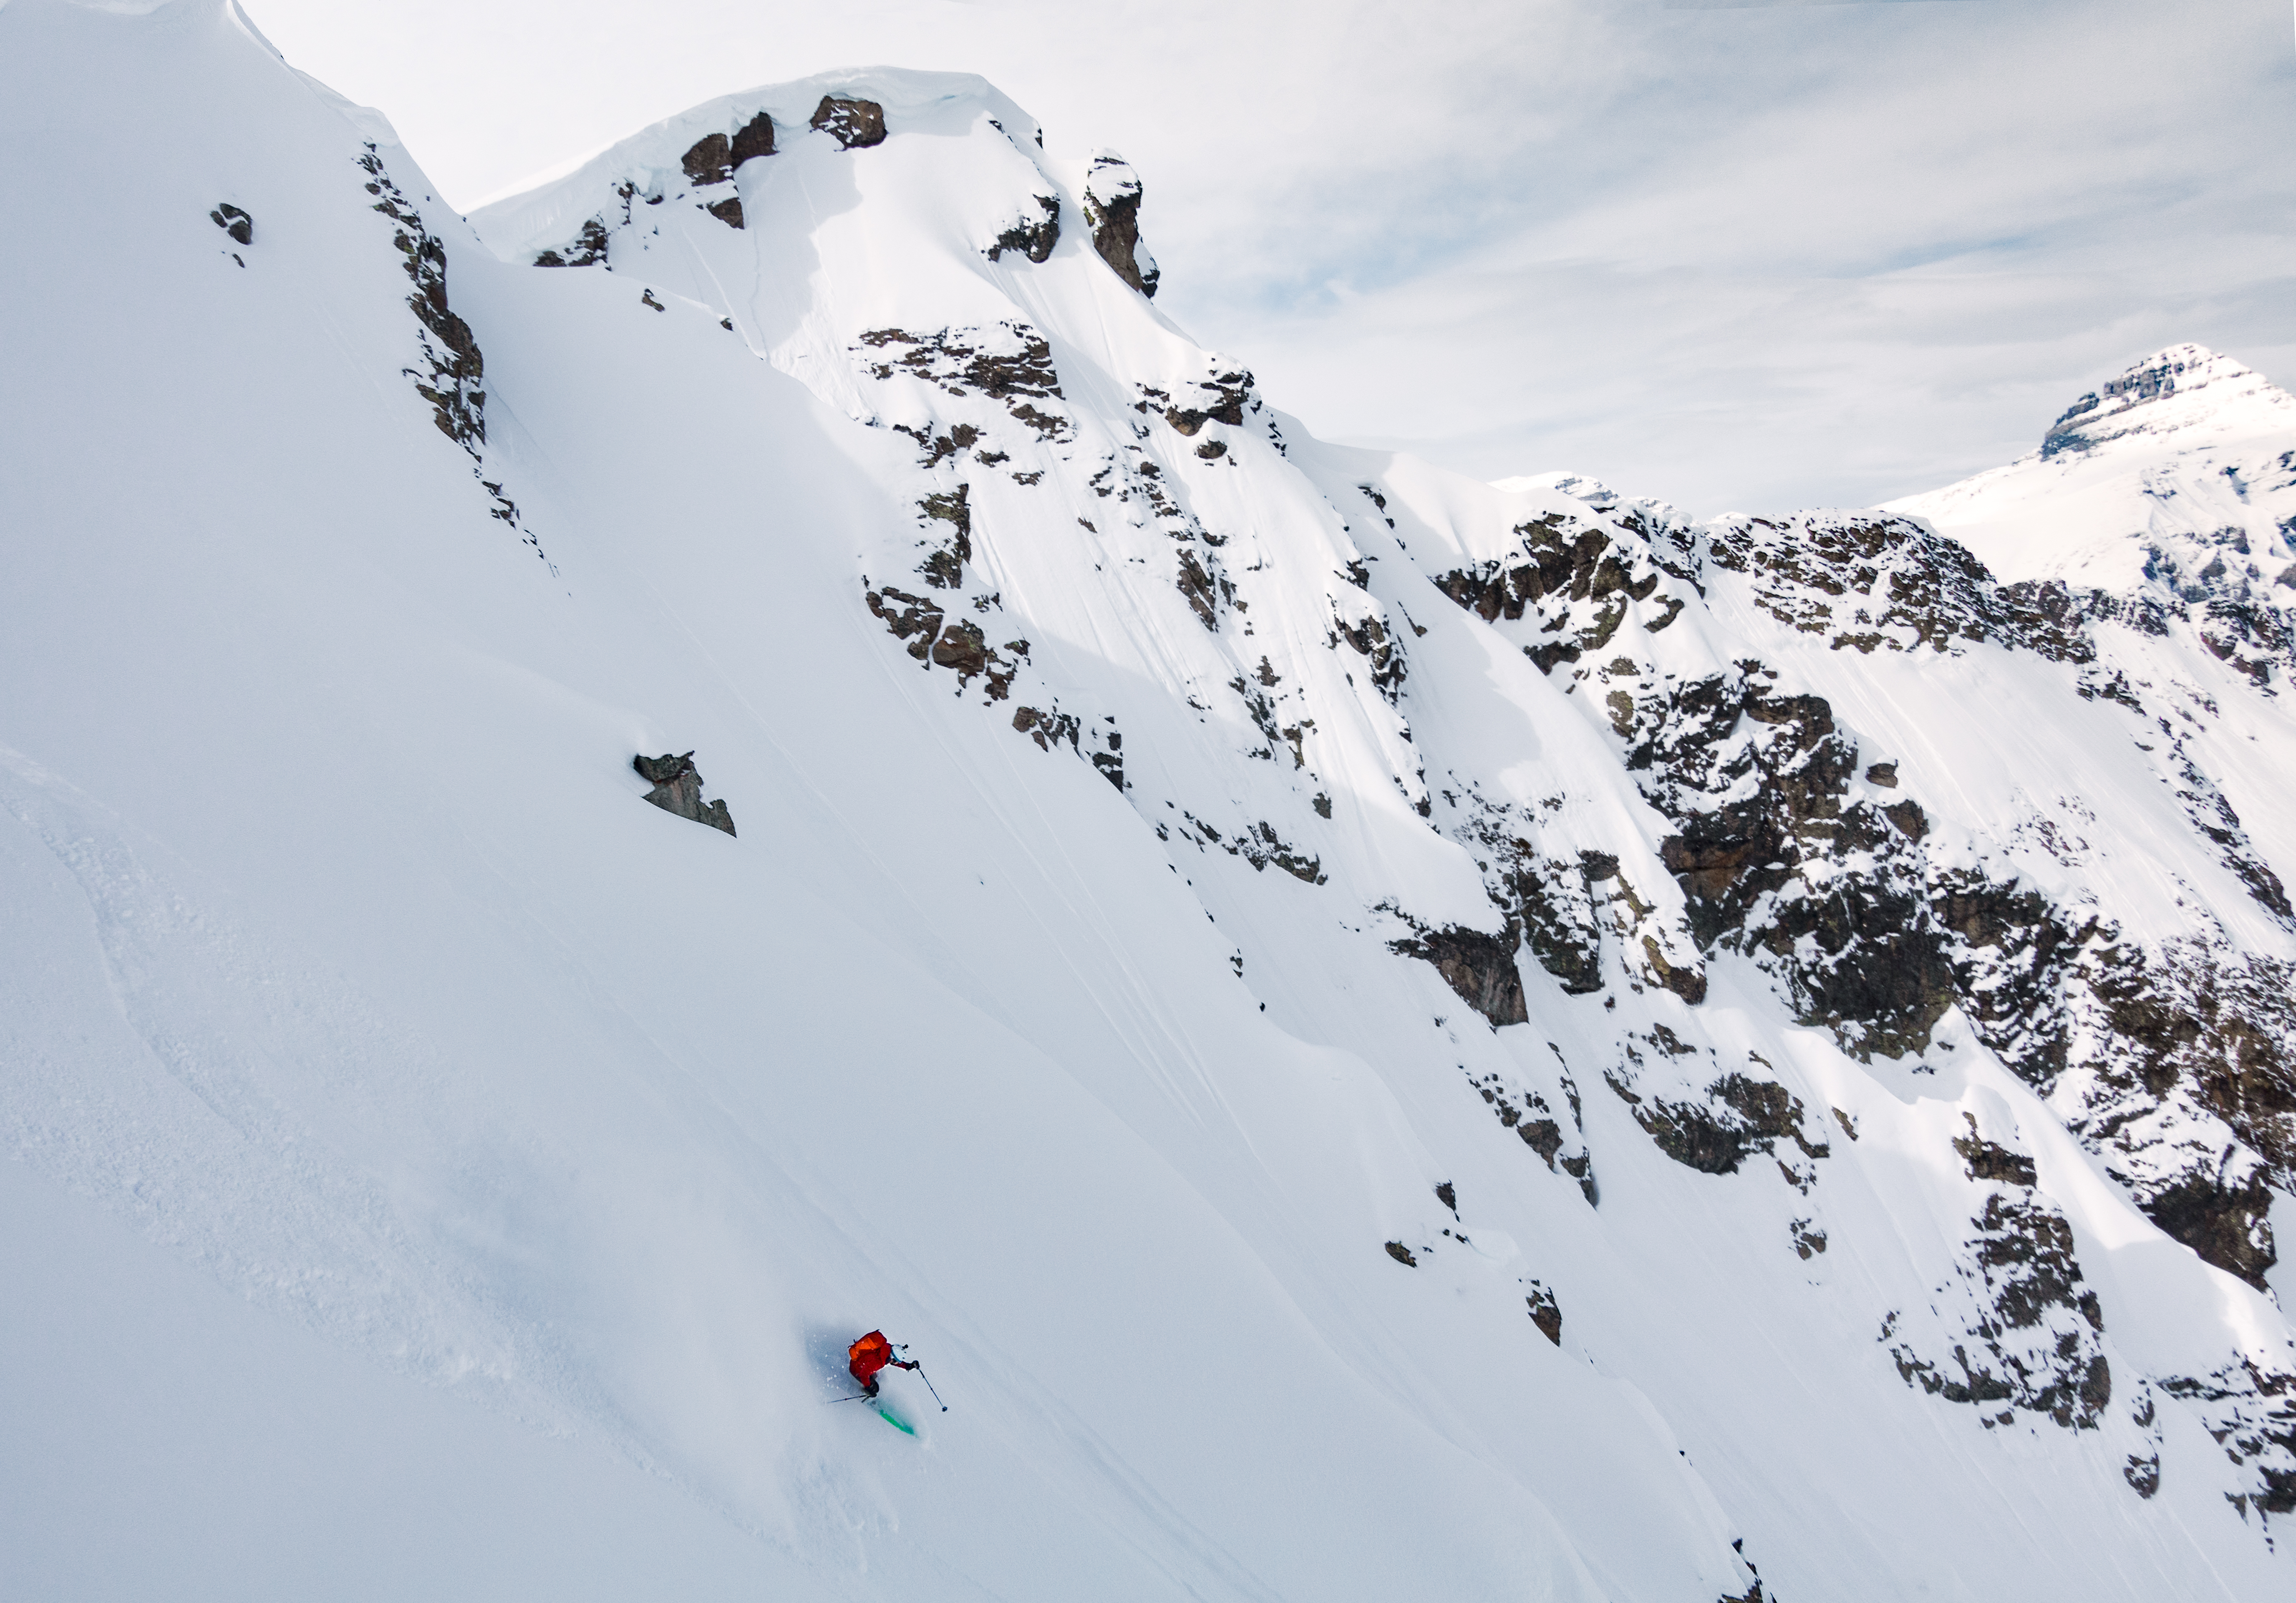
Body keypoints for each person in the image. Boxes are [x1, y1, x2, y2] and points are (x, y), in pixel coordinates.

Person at [847, 1330, 917, 1398]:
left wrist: (909, 1366)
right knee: (875, 1388)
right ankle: (858, 1393)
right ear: (893, 1358)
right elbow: (864, 1374)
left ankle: (866, 1388)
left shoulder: (885, 1350)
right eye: (898, 1361)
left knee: (875, 1379)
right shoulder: (879, 1362)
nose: (898, 1363)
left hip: (860, 1363)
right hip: (856, 1369)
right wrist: (868, 1388)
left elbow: (894, 1363)